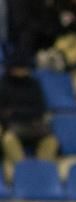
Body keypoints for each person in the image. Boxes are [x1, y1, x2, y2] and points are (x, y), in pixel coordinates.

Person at [0, 53, 59, 181]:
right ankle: (25, 173)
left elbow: (39, 109)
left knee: (51, 141)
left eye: (23, 68)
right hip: (11, 126)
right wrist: (14, 116)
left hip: (33, 125)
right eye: (18, 68)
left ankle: (42, 176)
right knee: (8, 139)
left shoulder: (34, 84)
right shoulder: (3, 85)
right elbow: (3, 112)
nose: (21, 71)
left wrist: (15, 112)